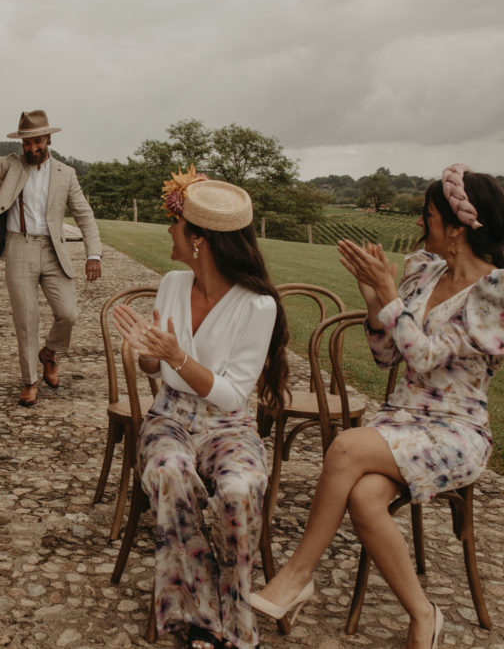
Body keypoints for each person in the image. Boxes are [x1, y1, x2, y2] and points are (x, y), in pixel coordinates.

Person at [252, 164, 504, 649]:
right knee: (366, 496)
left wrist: (390, 296)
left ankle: (297, 574)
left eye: (428, 215)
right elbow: (387, 353)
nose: (420, 224)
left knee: (345, 448)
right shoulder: (424, 271)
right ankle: (424, 614)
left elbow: (426, 357)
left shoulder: (494, 293)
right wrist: (374, 300)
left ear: (456, 227)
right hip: (400, 423)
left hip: (456, 431)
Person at [113, 173, 289, 649]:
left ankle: (232, 616)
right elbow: (158, 364)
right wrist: (147, 352)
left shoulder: (258, 306)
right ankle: (206, 617)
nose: (168, 230)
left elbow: (233, 396)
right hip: (169, 417)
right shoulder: (172, 283)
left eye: (175, 224)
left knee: (239, 488)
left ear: (200, 241)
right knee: (169, 471)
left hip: (228, 427)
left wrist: (175, 357)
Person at [0, 110, 103, 406]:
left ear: (48, 139)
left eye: (37, 142)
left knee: (68, 314)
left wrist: (94, 254)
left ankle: (49, 353)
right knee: (26, 319)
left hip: (54, 249)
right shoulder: (12, 165)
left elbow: (84, 214)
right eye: (27, 143)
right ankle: (29, 381)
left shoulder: (67, 174)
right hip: (19, 247)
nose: (32, 148)